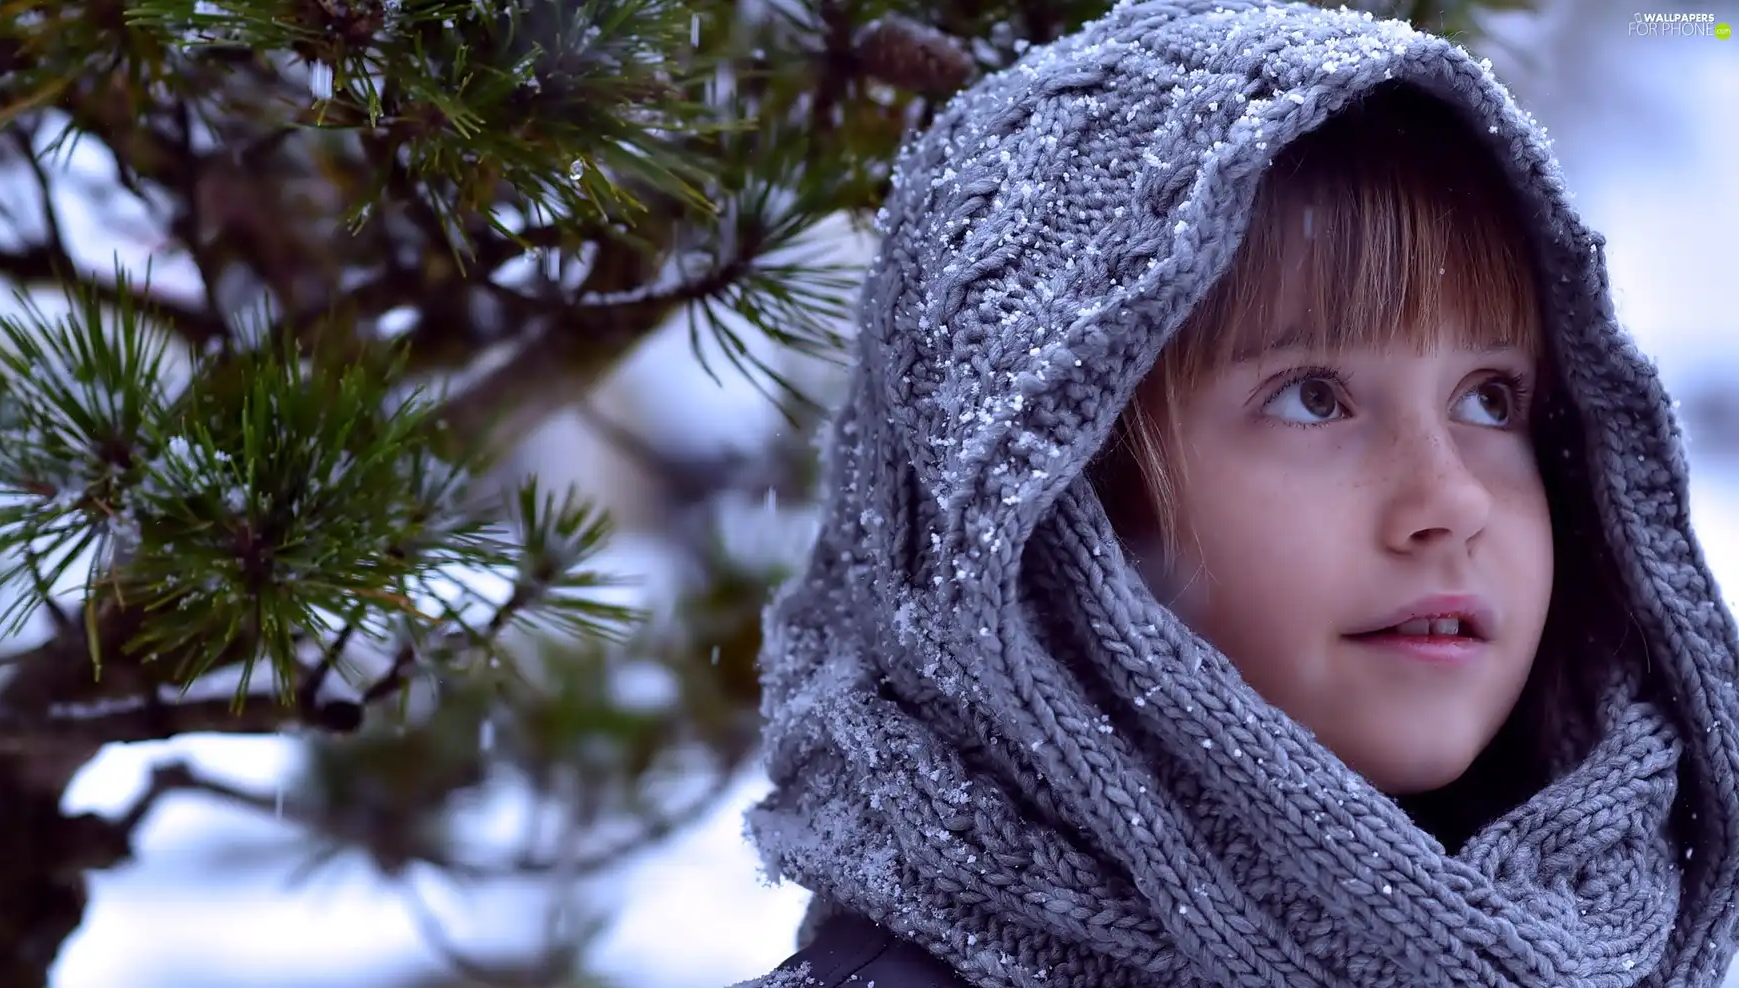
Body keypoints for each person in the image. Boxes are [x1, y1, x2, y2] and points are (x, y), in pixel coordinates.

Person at [733, 1, 1739, 986]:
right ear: (1056, 511)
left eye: (1490, 398)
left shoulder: (1618, 940)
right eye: (1314, 398)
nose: (1451, 499)